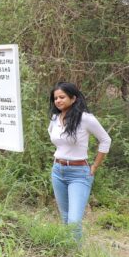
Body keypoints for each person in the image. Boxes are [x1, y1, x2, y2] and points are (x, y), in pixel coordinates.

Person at [48, 82, 110, 241]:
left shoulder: (85, 119)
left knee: (74, 220)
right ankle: (68, 249)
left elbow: (105, 140)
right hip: (58, 170)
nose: (58, 101)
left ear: (73, 98)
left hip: (79, 173)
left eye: (62, 97)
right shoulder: (55, 118)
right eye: (56, 98)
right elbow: (56, 140)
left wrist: (94, 166)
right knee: (65, 216)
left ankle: (76, 252)